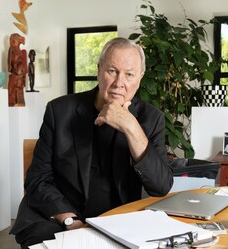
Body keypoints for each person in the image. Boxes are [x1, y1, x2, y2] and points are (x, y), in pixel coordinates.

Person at [10, 37, 174, 248]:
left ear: (140, 78)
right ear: (99, 70)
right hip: (58, 217)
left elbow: (161, 186)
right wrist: (70, 221)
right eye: (112, 71)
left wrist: (131, 127)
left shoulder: (151, 119)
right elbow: (37, 179)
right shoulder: (59, 111)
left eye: (129, 74)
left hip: (116, 220)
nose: (119, 83)